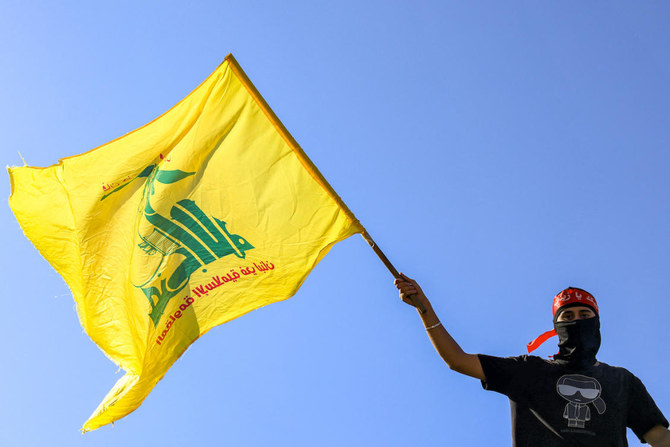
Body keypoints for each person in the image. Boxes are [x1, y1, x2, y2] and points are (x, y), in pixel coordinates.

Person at [394, 274, 670, 446]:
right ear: (556, 326)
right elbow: (457, 360)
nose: (577, 321)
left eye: (585, 316)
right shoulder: (528, 370)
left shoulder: (622, 380)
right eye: (568, 316)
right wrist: (425, 309)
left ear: (597, 323)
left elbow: (657, 436)